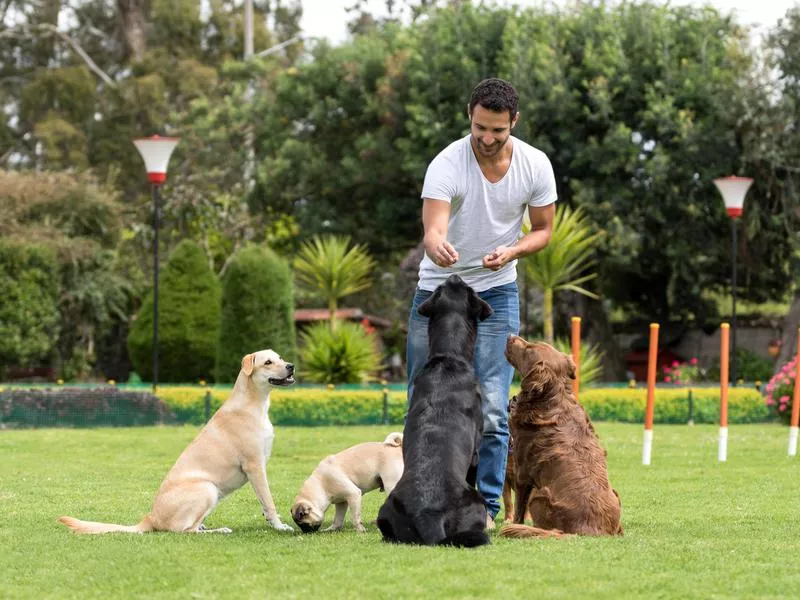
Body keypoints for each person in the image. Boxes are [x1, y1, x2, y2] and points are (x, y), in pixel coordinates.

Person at [406, 78, 557, 529]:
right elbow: (433, 225)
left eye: (497, 130)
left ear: (514, 121)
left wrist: (512, 251)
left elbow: (543, 230)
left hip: (495, 293)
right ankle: (418, 497)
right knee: (423, 399)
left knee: (492, 405)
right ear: (468, 115)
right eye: (479, 128)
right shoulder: (447, 163)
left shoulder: (535, 165)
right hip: (438, 294)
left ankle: (486, 509)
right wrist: (435, 244)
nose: (487, 139)